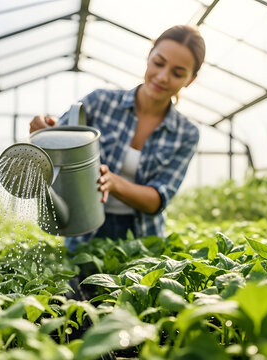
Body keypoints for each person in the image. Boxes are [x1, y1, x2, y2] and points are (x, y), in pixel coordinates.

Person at [30, 25, 205, 252]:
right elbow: (59, 145)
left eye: (178, 73)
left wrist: (114, 183)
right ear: (149, 56)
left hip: (142, 238)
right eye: (159, 63)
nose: (162, 77)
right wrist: (46, 130)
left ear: (190, 80)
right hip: (85, 231)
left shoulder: (186, 132)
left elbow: (157, 199)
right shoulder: (100, 102)